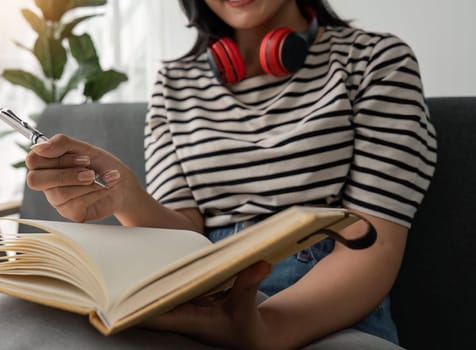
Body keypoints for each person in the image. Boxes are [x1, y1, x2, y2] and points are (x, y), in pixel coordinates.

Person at [25, 0, 437, 348]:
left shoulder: (376, 60)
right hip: (201, 299)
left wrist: (264, 330)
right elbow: (182, 235)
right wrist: (126, 196)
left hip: (328, 315)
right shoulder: (175, 83)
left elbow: (373, 244)